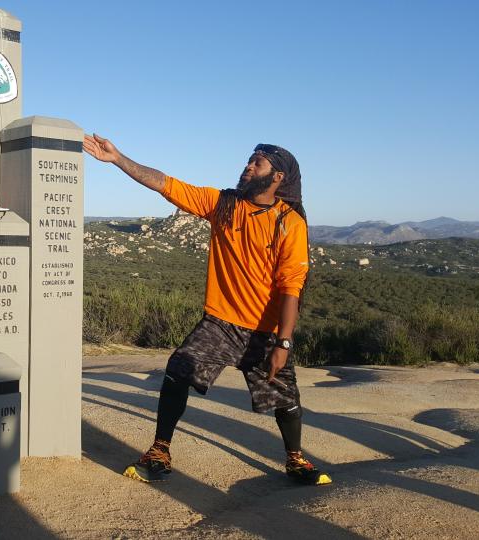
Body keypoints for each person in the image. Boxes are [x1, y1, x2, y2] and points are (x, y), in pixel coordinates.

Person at [83, 134, 331, 486]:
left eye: (257, 163)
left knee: (285, 395)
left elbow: (292, 285)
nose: (248, 166)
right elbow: (168, 185)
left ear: (278, 177)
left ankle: (295, 459)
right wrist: (119, 158)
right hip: (220, 322)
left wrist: (284, 342)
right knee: (178, 369)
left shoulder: (289, 221)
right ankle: (159, 450)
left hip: (264, 330)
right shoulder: (223, 204)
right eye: (249, 160)